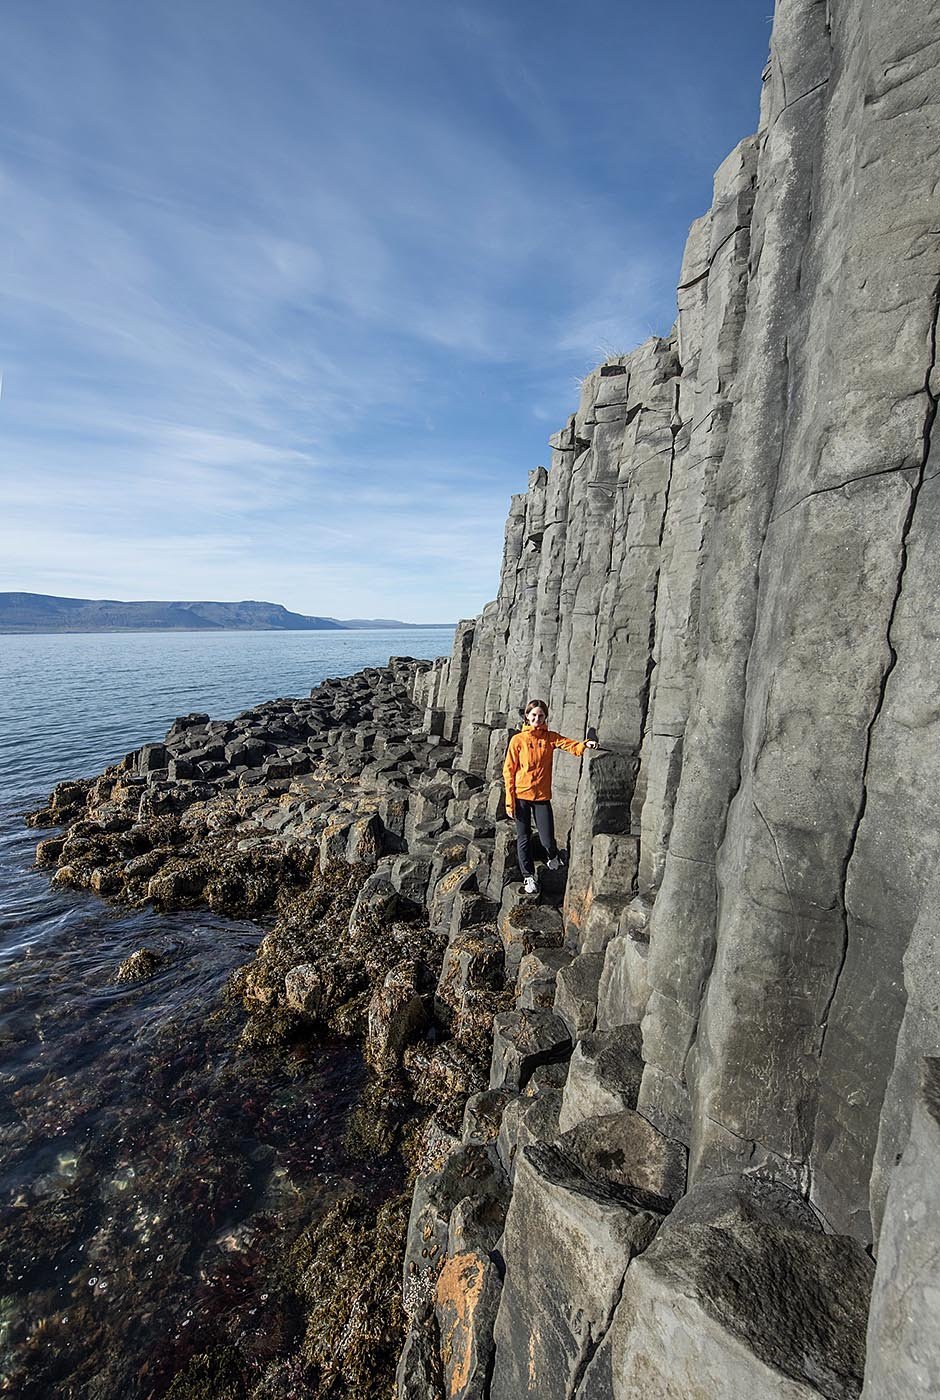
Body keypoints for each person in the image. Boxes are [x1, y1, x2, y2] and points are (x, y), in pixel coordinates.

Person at [502, 699, 598, 895]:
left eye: (541, 715)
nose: (537, 718)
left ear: (545, 717)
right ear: (527, 717)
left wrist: (586, 744)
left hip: (542, 797)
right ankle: (528, 876)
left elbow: (569, 745)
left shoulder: (549, 738)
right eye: (534, 715)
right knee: (524, 837)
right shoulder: (518, 740)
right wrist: (509, 801)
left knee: (547, 839)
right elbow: (508, 771)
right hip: (520, 796)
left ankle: (552, 857)